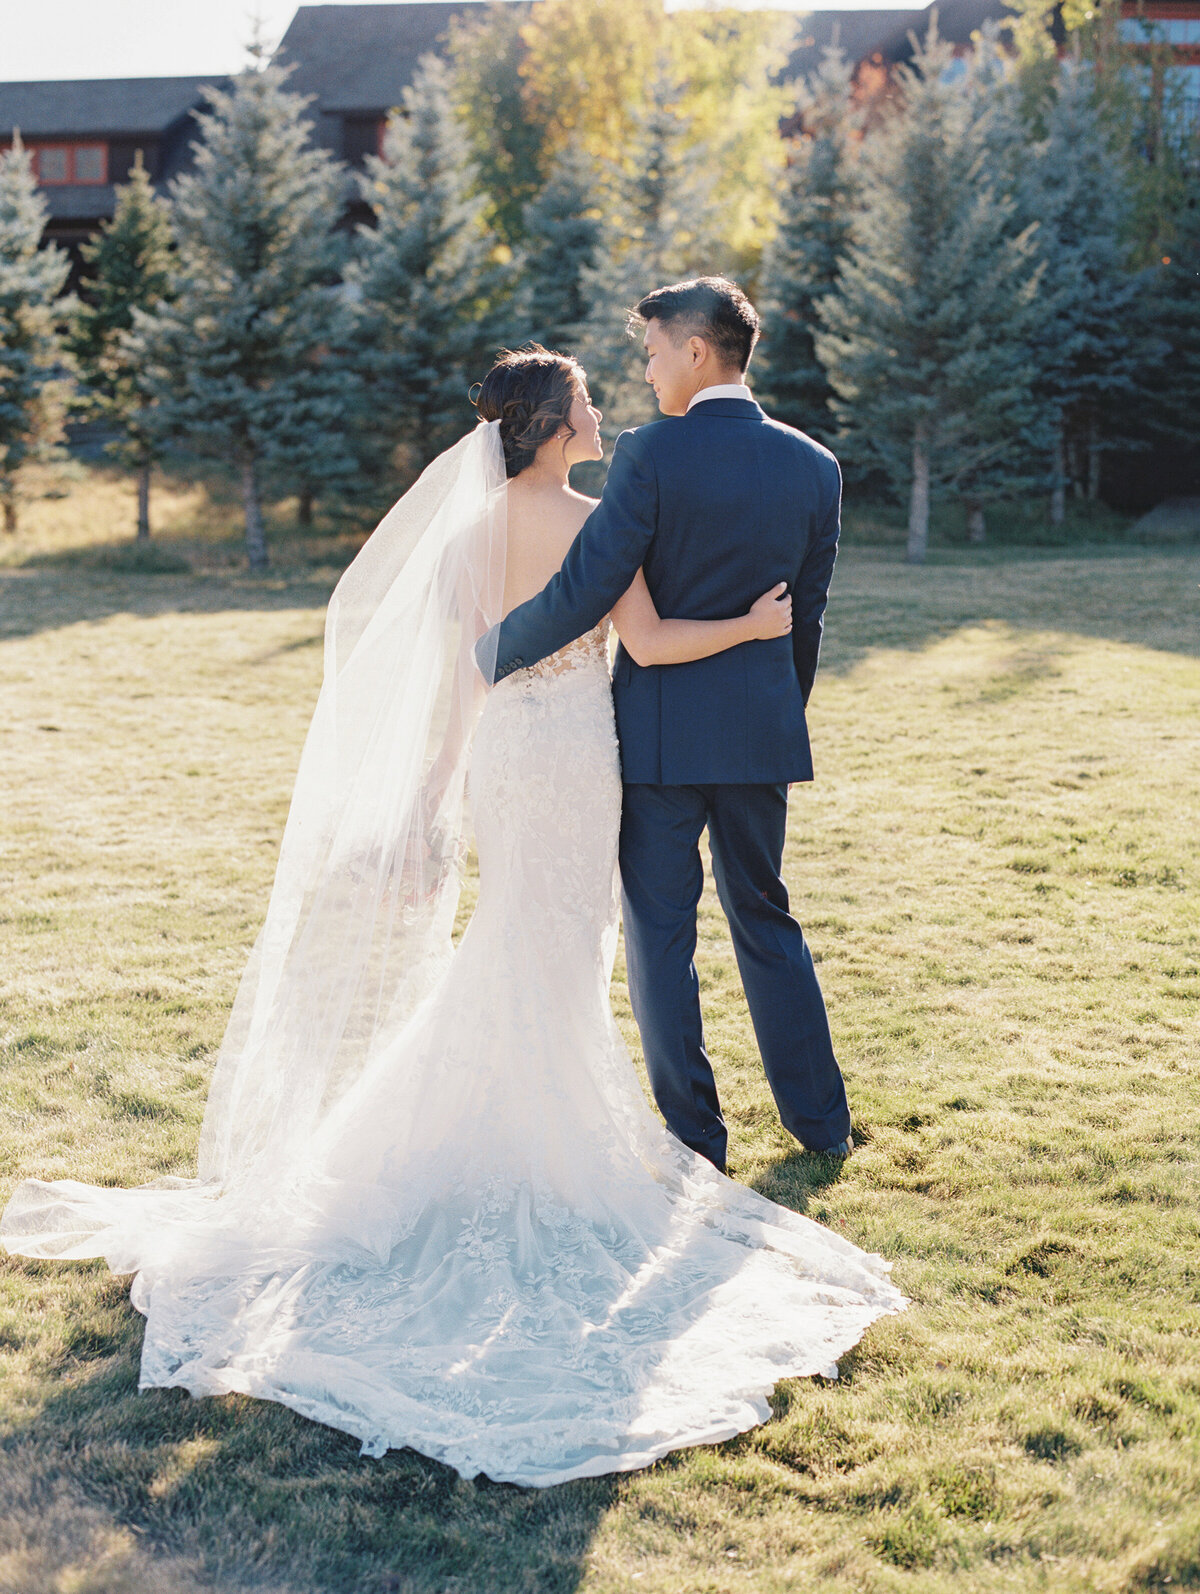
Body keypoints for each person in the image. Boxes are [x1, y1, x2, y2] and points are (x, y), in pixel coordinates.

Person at [0, 341, 902, 1489]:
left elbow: (460, 683)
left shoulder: (468, 536)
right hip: (582, 760)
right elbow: (655, 642)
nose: (599, 410)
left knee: (513, 943)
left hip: (504, 769)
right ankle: (537, 1145)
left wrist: (430, 807)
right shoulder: (597, 521)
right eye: (584, 401)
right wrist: (757, 630)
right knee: (562, 956)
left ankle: (478, 1133)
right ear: (552, 426)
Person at [487, 278, 852, 1173]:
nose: (646, 372)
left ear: (696, 350)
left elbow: (584, 590)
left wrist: (488, 655)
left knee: (661, 934)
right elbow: (804, 624)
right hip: (760, 734)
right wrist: (772, 716)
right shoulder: (816, 465)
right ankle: (822, 1123)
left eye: (653, 352)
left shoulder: (649, 456)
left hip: (655, 739)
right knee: (767, 917)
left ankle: (696, 1138)